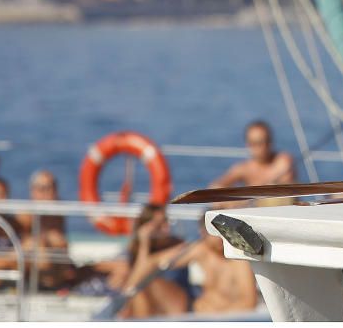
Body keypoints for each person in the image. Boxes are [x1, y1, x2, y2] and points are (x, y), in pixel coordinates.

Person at [117, 205, 257, 318]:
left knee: (141, 286)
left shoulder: (239, 260)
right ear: (203, 232)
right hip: (198, 313)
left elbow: (249, 302)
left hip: (221, 318)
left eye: (221, 232)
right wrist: (144, 243)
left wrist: (215, 317)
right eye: (213, 232)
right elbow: (151, 264)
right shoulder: (202, 249)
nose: (218, 237)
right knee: (141, 285)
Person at [16, 170, 77, 290]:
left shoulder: (56, 213)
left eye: (51, 187)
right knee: (43, 247)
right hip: (36, 273)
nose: (48, 192)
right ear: (33, 191)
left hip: (60, 271)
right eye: (42, 188)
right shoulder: (26, 215)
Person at [211, 121, 296, 189]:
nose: (263, 147)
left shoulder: (282, 160)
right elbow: (216, 187)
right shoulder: (243, 169)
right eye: (256, 143)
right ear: (248, 144)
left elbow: (287, 184)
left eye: (266, 141)